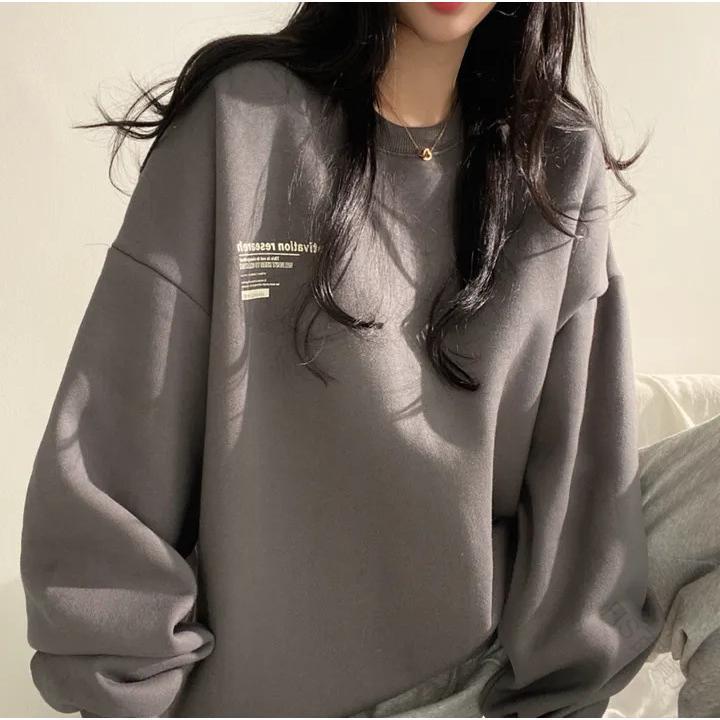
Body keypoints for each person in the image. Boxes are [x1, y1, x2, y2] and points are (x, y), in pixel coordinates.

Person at [18, 3, 719, 717]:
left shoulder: (557, 162)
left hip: (482, 677)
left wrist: (555, 701)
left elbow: (580, 474)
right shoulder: (243, 121)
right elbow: (112, 458)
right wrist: (129, 693)